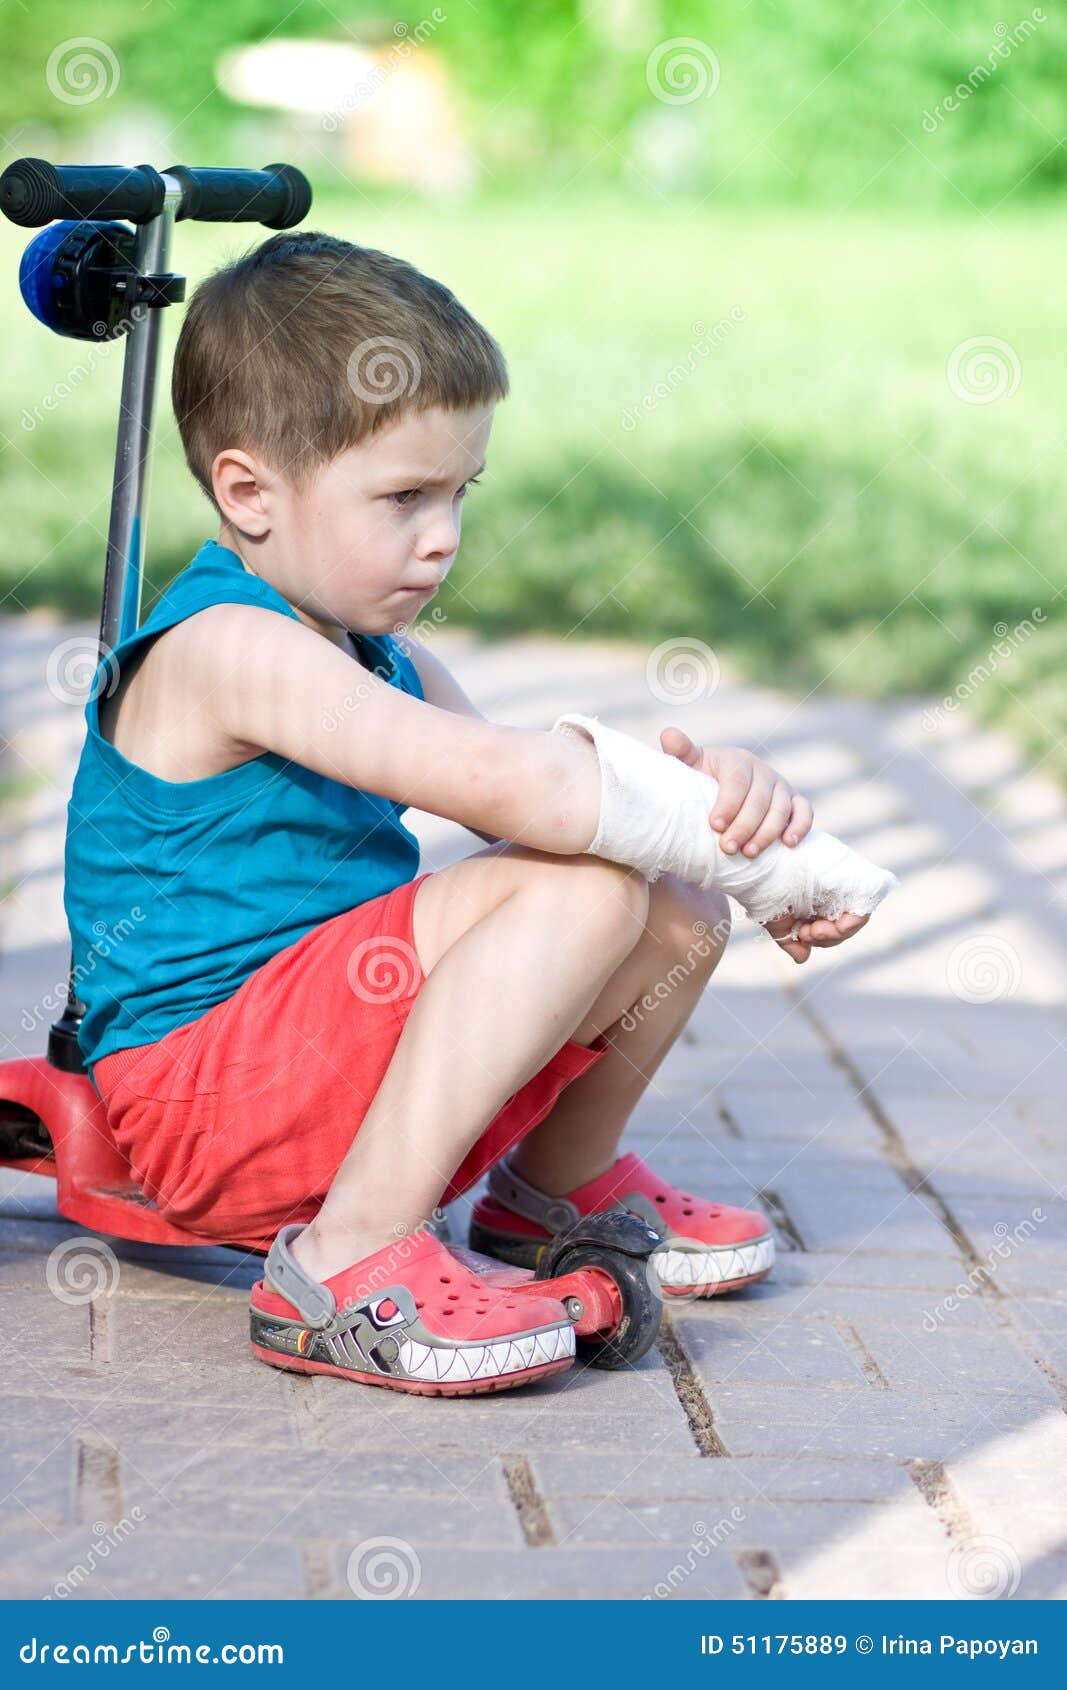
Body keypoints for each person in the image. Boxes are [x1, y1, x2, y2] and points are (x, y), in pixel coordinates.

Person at [64, 231, 893, 1397]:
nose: (444, 534)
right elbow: (531, 794)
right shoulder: (229, 649)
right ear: (249, 493)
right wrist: (725, 834)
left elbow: (531, 803)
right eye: (404, 497)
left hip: (315, 1074)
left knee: (669, 900)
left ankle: (551, 1191)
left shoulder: (379, 656)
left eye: (459, 492)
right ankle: (342, 1263)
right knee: (589, 884)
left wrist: (720, 825)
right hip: (206, 1106)